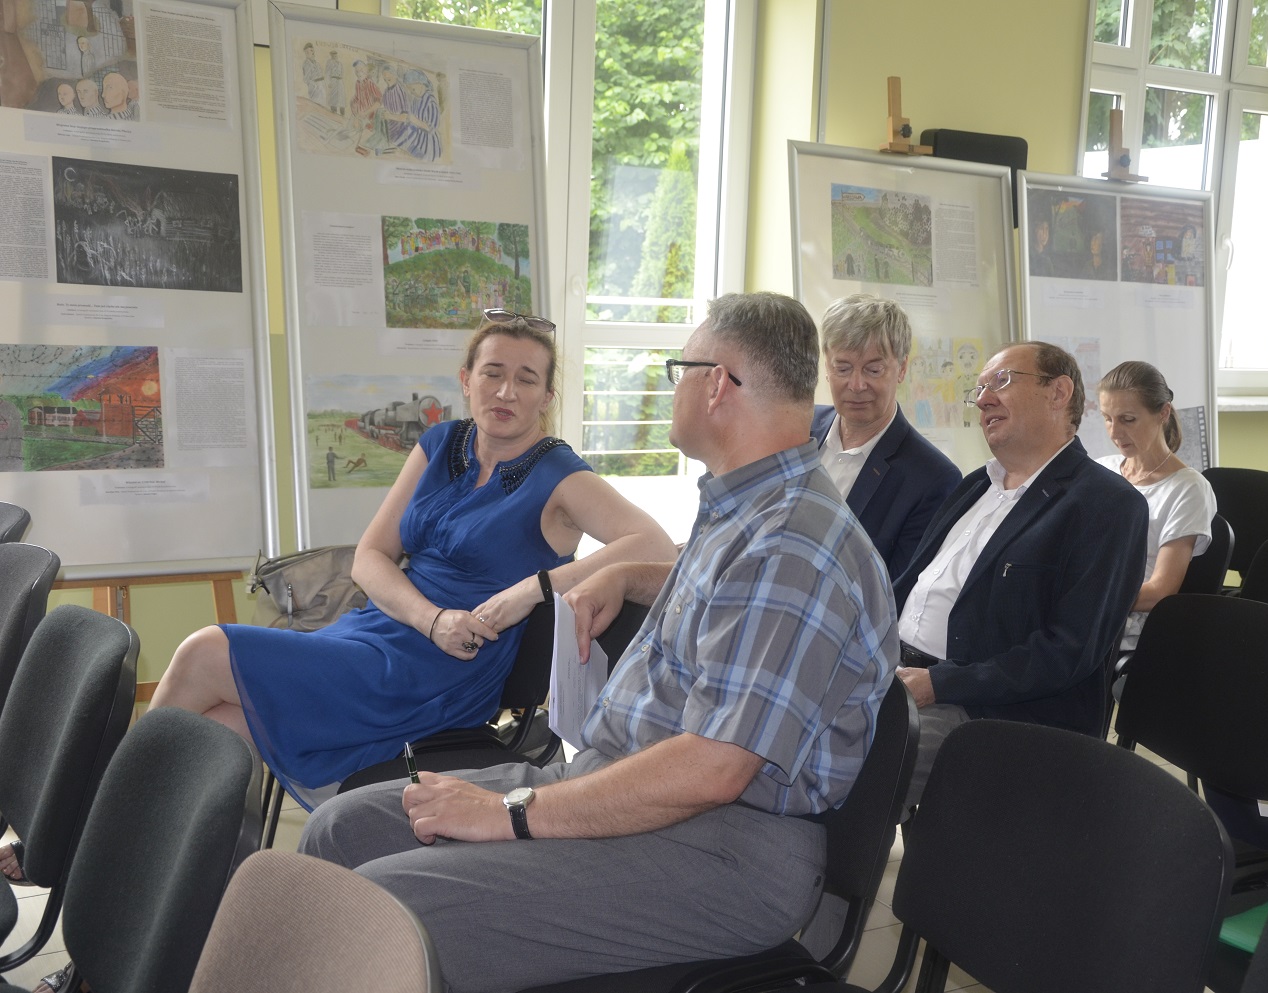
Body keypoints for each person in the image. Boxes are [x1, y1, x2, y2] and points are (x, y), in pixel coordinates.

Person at [296, 292, 898, 993]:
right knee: (340, 830)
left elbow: (714, 769)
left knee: (387, 909)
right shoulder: (750, 505)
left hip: (718, 844)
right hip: (633, 787)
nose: (673, 387)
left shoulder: (793, 543)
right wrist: (631, 575)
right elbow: (737, 594)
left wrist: (511, 812)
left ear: (716, 384)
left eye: (679, 369)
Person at [142, 311, 678, 812]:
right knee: (218, 730)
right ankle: (165, 852)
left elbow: (653, 544)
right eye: (492, 373)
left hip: (445, 670)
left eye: (526, 379)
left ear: (547, 396)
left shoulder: (558, 472)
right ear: (466, 380)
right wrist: (430, 618)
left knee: (204, 651)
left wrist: (533, 589)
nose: (506, 391)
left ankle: (114, 820)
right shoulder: (441, 443)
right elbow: (370, 557)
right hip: (384, 630)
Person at [892, 341, 1148, 802]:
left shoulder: (1107, 504)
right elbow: (908, 586)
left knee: (849, 771)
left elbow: (1068, 651)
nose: (984, 399)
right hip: (903, 677)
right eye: (979, 390)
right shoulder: (976, 485)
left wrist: (939, 684)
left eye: (1001, 382)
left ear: (1058, 393)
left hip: (990, 711)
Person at [810, 294, 960, 578]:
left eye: (873, 370)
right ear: (826, 366)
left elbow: (898, 592)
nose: (856, 385)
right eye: (842, 368)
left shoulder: (933, 479)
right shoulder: (797, 431)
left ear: (902, 369)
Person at [1095, 360, 1215, 651]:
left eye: (1127, 419)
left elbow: (1161, 590)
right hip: (1089, 613)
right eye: (1107, 419)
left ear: (1163, 413)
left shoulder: (1188, 488)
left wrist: (1092, 598)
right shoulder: (1101, 470)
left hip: (1126, 628)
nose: (1114, 432)